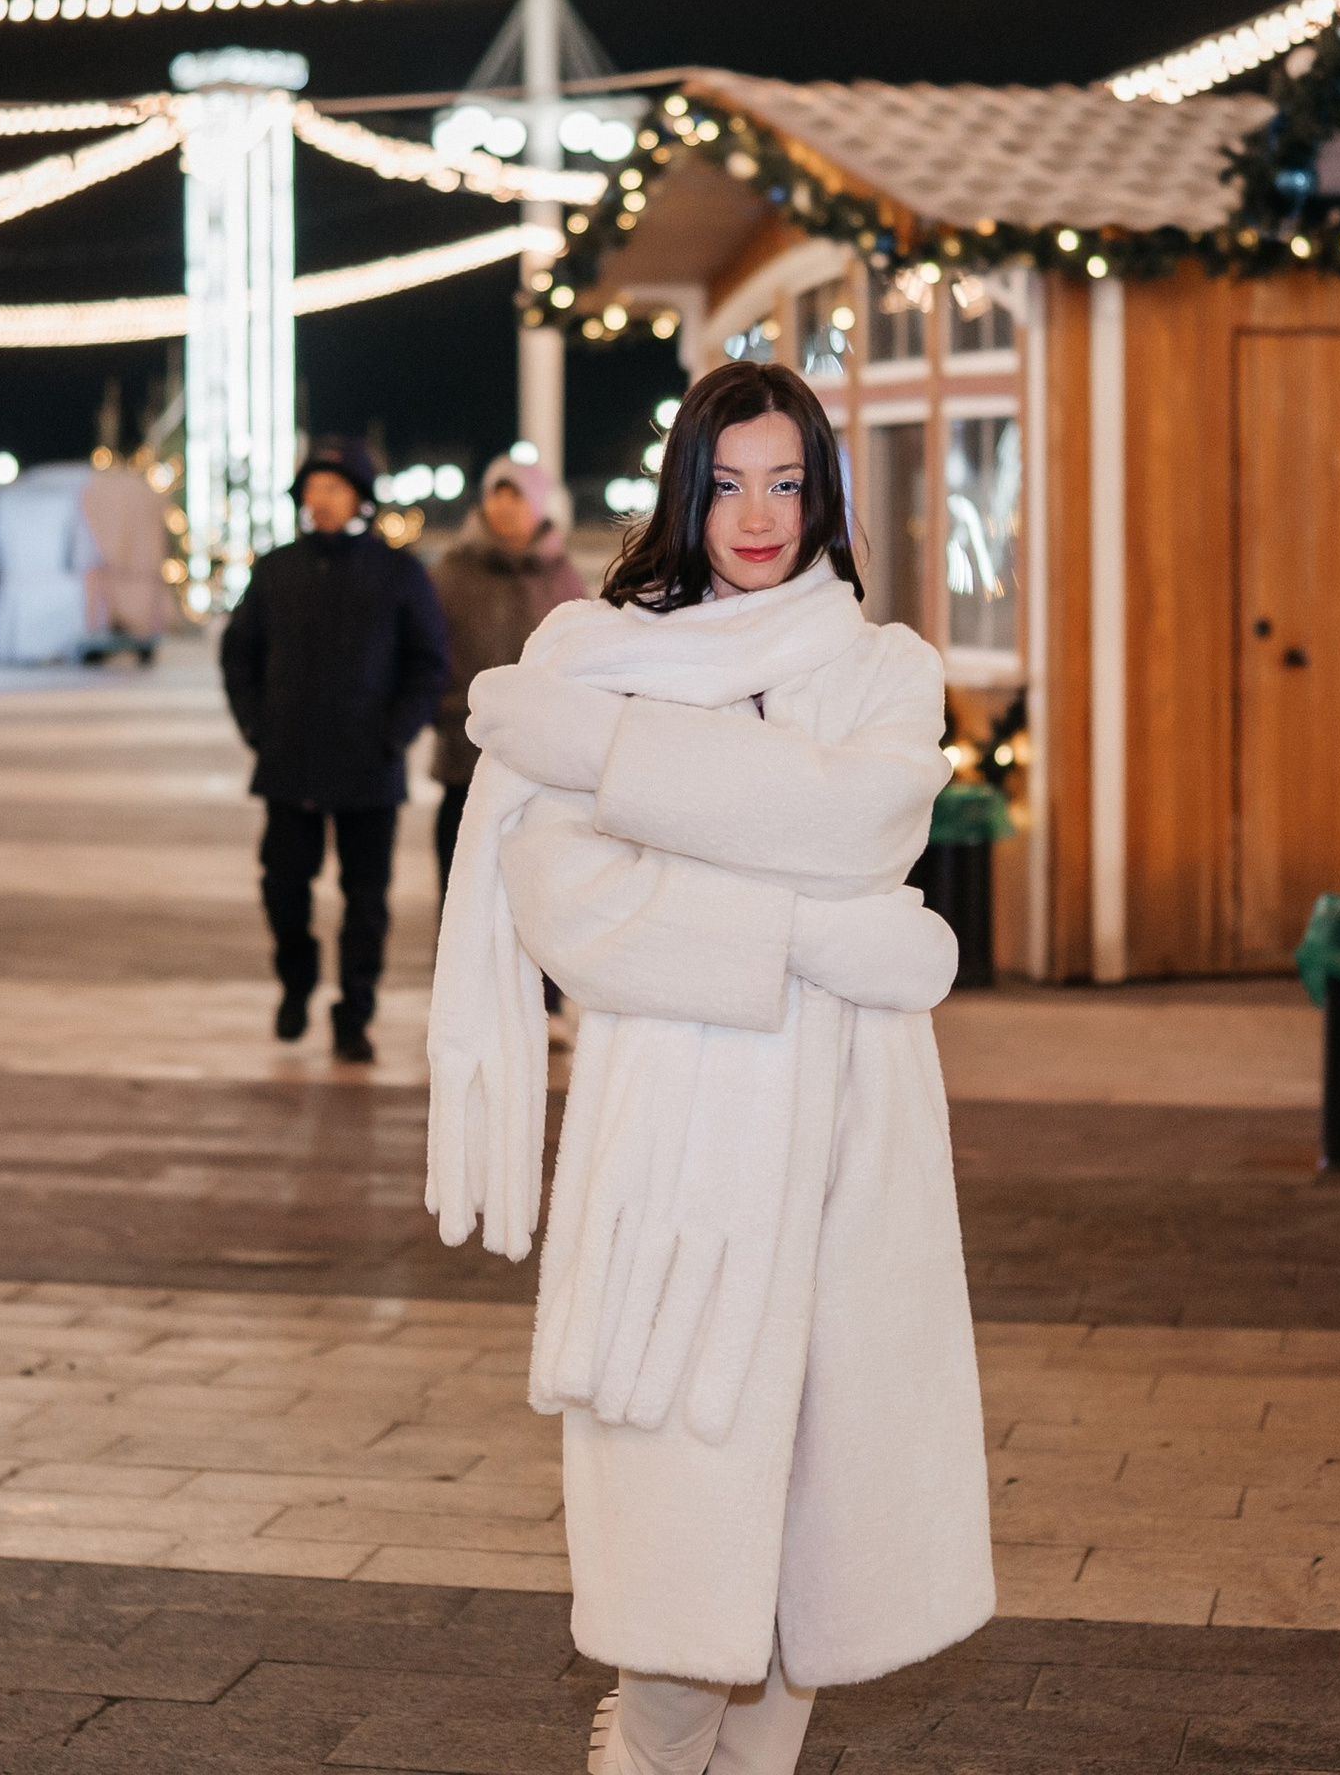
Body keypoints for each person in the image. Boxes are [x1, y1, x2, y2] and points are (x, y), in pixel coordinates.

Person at [428, 361, 990, 1775]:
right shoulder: (596, 657)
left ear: (825, 496)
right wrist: (816, 933)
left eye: (787, 481)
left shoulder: (882, 669)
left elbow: (863, 824)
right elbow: (572, 910)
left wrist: (625, 771)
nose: (758, 514)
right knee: (679, 1633)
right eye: (729, 480)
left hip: (853, 1164)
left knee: (808, 1604)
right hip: (676, 1177)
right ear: (687, 487)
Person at [220, 437, 447, 1066]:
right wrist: (256, 725)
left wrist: (394, 733)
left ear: (360, 498)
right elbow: (239, 653)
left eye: (335, 487)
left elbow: (429, 663)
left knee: (366, 897)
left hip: (368, 764)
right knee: (284, 886)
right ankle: (296, 980)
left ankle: (355, 1012)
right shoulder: (276, 569)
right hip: (288, 760)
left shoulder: (398, 572)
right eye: (313, 488)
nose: (322, 499)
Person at [429, 455, 584, 904]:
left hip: (540, 755)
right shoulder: (454, 570)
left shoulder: (561, 574)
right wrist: (442, 706)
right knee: (461, 880)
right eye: (496, 496)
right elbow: (426, 646)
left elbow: (581, 653)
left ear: (538, 505)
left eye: (515, 497)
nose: (503, 508)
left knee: (529, 882)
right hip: (464, 745)